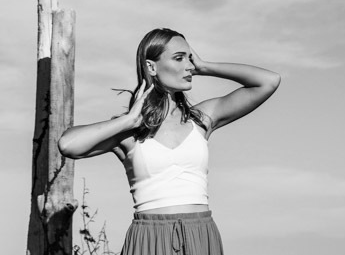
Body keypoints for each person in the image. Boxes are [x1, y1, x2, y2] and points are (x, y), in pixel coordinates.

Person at [58, 28, 280, 255]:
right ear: (151, 67)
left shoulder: (201, 119)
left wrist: (205, 66)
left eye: (190, 58)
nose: (189, 66)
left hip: (200, 234)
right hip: (149, 237)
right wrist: (127, 120)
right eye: (179, 58)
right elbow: (67, 145)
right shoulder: (130, 131)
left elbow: (268, 81)